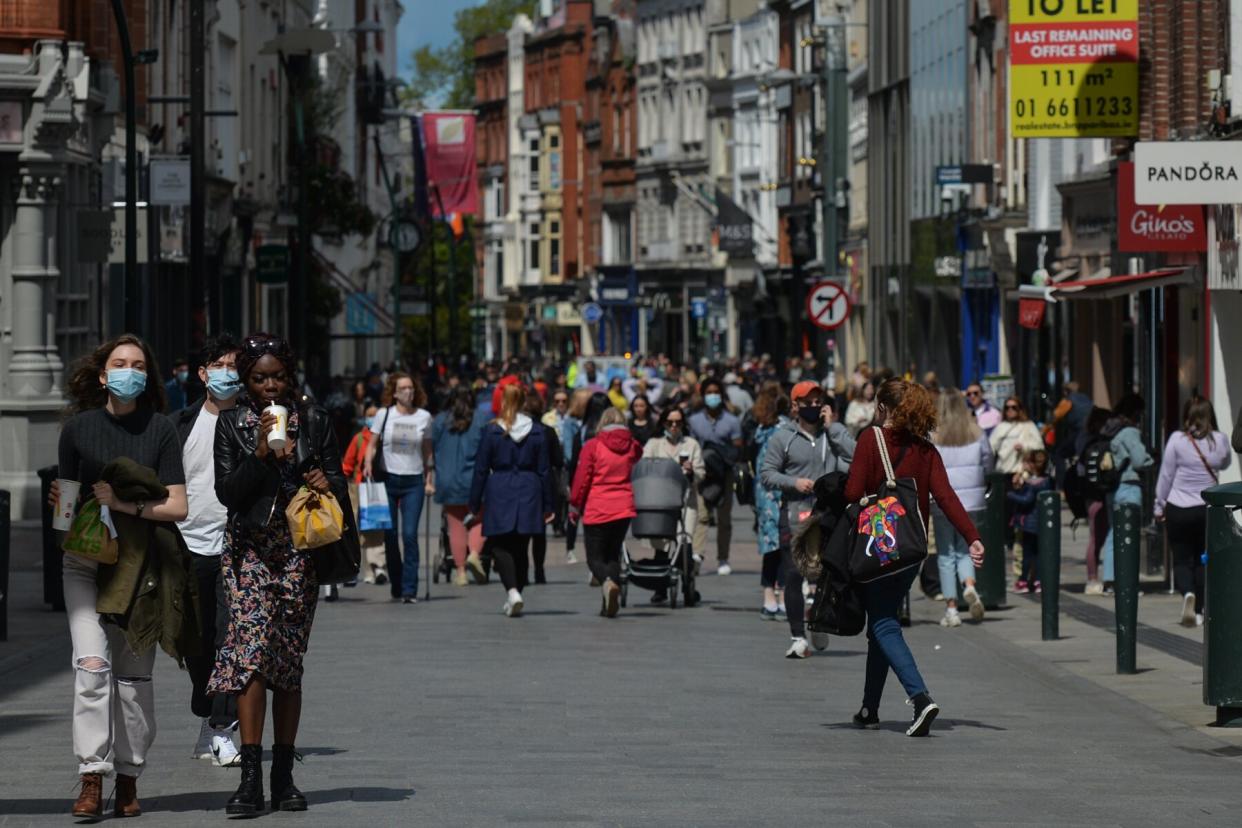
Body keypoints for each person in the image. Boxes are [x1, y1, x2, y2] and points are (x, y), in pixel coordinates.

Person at [211, 333, 351, 814]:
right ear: (246, 382)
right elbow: (228, 492)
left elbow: (337, 482)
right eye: (259, 378)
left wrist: (320, 476)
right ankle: (249, 779)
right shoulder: (231, 424)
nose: (269, 386)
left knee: (287, 665)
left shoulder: (314, 420)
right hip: (250, 552)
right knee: (250, 657)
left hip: (299, 555)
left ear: (289, 377)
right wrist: (261, 456)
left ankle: (283, 775)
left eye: (277, 376)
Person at [55, 334, 189, 819]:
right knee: (91, 666)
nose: (128, 370)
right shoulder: (78, 430)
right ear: (103, 375)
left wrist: (124, 504)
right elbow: (66, 502)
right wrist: (63, 511)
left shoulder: (161, 430)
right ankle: (92, 775)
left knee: (134, 680)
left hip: (142, 568)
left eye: (137, 364)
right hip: (86, 564)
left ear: (146, 376)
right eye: (119, 363)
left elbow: (178, 504)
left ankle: (129, 775)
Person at [845, 379, 984, 737]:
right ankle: (869, 708)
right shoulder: (925, 450)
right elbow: (947, 497)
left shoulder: (869, 441)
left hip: (876, 549)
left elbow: (852, 492)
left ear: (884, 408)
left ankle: (920, 698)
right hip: (910, 551)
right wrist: (973, 538)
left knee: (882, 624)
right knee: (882, 621)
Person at [173, 333, 243, 769]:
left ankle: (223, 727)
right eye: (219, 365)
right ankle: (207, 714)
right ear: (203, 375)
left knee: (229, 639)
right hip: (186, 545)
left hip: (235, 546)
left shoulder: (254, 423)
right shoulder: (179, 425)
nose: (227, 373)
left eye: (235, 366)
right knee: (196, 645)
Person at [760, 381, 855, 657]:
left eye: (818, 401)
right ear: (795, 406)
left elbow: (857, 454)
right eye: (808, 402)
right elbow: (767, 473)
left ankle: (819, 619)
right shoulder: (783, 437)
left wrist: (834, 426)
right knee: (793, 573)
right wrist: (793, 482)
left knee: (829, 573)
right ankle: (797, 637)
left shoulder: (833, 435)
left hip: (829, 514)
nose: (814, 406)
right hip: (795, 512)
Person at [468, 383, 554, 617]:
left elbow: (481, 469)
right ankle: (517, 592)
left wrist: (474, 502)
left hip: (501, 488)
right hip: (529, 487)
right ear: (523, 402)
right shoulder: (537, 431)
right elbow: (545, 470)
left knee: (497, 544)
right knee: (521, 546)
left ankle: (513, 591)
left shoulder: (492, 430)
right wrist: (548, 504)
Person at [1155, 397, 1231, 626]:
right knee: (1202, 559)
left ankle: (1187, 593)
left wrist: (1159, 505)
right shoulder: (1219, 440)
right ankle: (1199, 610)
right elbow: (1225, 463)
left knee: (1181, 558)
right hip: (1206, 509)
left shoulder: (1177, 440)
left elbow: (1166, 475)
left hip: (1178, 508)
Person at [363, 372, 435, 604]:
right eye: (403, 388)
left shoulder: (424, 417)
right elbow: (372, 444)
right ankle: (397, 580)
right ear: (394, 392)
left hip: (414, 480)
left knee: (410, 535)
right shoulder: (384, 415)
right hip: (388, 480)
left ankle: (409, 589)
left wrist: (429, 478)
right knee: (391, 536)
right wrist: (367, 464)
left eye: (411, 388)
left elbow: (427, 450)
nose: (408, 392)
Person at [570, 407, 643, 616]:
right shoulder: (631, 446)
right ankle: (608, 604)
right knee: (612, 554)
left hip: (598, 506)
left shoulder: (593, 446)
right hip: (623, 507)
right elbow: (639, 453)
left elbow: (582, 479)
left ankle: (608, 582)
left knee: (594, 558)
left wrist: (575, 505)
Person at [931, 389, 993, 626]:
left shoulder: (934, 434)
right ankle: (969, 584)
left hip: (943, 500)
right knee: (968, 546)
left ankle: (952, 608)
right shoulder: (976, 432)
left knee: (946, 552)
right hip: (972, 499)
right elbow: (988, 459)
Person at [431, 386, 487, 586]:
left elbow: (432, 447)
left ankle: (461, 571)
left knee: (455, 526)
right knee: (481, 519)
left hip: (447, 479)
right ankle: (473, 554)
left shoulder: (440, 420)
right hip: (474, 480)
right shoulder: (481, 419)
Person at [1099, 393, 1154, 591]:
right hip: (1129, 486)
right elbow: (1140, 460)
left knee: (1114, 532)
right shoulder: (1130, 432)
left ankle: (1109, 578)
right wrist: (1151, 459)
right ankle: (1124, 579)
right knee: (1129, 533)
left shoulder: (1110, 428)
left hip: (1112, 488)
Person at [688, 377, 743, 575]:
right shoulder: (694, 420)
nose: (712, 396)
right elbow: (691, 445)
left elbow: (738, 446)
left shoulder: (732, 420)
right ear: (703, 395)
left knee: (724, 518)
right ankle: (697, 555)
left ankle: (723, 558)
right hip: (702, 474)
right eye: (709, 392)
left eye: (716, 392)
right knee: (701, 515)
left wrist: (720, 451)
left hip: (725, 474)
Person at [749, 387, 788, 619]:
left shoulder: (761, 431)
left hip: (765, 494)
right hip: (779, 491)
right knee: (782, 545)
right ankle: (780, 594)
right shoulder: (782, 429)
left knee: (771, 546)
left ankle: (770, 595)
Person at [341, 404, 389, 585]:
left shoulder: (385, 439)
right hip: (358, 489)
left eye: (375, 415)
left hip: (377, 489)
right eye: (369, 415)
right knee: (353, 530)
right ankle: (354, 569)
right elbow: (347, 464)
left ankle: (377, 567)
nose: (372, 418)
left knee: (374, 530)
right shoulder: (359, 438)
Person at [525, 392, 565, 584]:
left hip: (522, 482)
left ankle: (522, 570)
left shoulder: (519, 431)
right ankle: (539, 570)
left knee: (522, 530)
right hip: (543, 483)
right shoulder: (548, 431)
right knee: (539, 532)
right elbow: (558, 460)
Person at [1077, 407, 1113, 595]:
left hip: (1090, 495)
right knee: (1099, 538)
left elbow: (1080, 471)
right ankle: (1093, 579)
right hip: (1099, 495)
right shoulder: (1102, 443)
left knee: (1096, 538)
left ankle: (1093, 579)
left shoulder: (1085, 442)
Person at [1007, 449, 1053, 593]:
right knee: (1038, 555)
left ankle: (1022, 582)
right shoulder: (1047, 480)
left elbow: (1027, 500)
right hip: (1042, 523)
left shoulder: (1032, 483)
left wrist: (1010, 494)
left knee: (1027, 554)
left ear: (1032, 464)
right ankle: (1038, 581)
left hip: (1029, 524)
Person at [989, 397, 1043, 474]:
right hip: (1004, 471)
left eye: (1014, 407)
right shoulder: (1000, 427)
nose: (1010, 410)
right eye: (1007, 408)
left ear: (1020, 409)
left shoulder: (1029, 425)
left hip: (1024, 472)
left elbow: (1040, 447)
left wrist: (1024, 447)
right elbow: (991, 449)